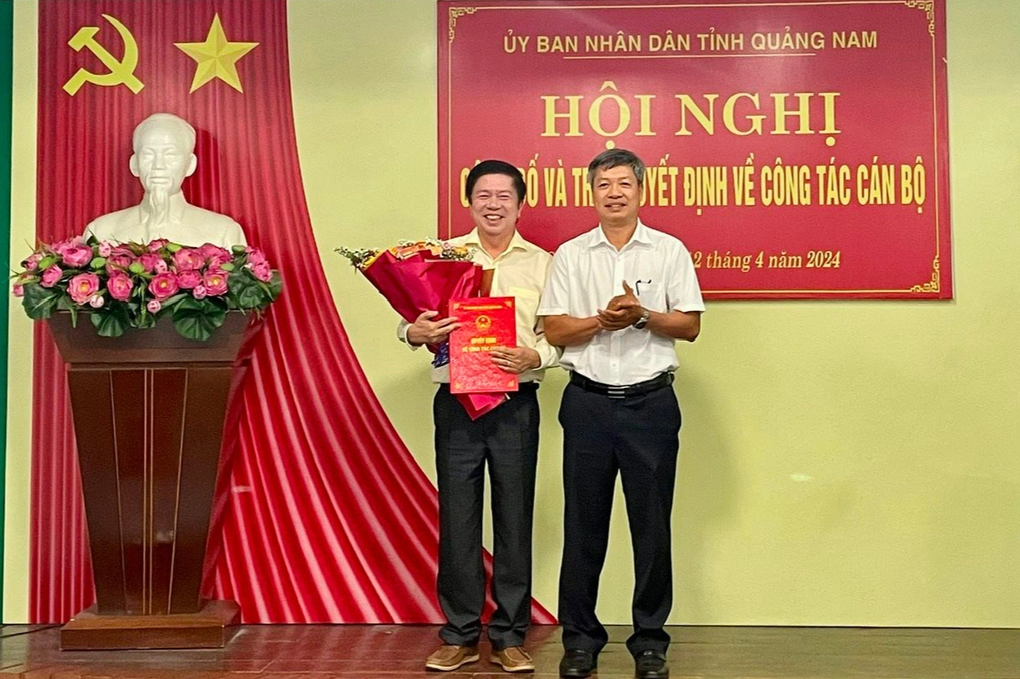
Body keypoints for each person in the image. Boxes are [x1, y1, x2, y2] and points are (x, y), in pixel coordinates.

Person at [537, 148, 704, 679]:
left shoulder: (669, 250)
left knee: (651, 527)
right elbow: (555, 329)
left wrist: (642, 316)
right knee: (583, 526)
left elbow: (689, 325)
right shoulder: (571, 255)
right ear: (591, 193)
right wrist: (603, 322)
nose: (614, 193)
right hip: (586, 404)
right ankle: (580, 641)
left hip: (650, 405)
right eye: (604, 184)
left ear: (641, 191)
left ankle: (650, 641)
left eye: (624, 183)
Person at [400, 160, 558, 673]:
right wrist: (413, 333)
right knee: (458, 519)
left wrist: (537, 356)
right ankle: (461, 634)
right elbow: (413, 321)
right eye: (483, 195)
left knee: (514, 517)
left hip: (515, 403)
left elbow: (556, 336)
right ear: (469, 202)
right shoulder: (444, 258)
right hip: (457, 404)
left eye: (504, 196)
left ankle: (510, 635)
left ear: (520, 204)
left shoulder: (543, 264)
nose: (494, 205)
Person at [84, 113, 247, 248]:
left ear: (190, 165)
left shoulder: (223, 232)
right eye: (148, 154)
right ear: (134, 164)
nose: (158, 165)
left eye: (170, 154)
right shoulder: (101, 232)